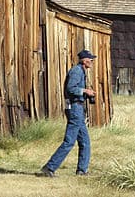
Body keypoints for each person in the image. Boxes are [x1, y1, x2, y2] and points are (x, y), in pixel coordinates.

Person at [40, 49, 97, 177]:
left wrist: (86, 94)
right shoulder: (77, 71)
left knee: (85, 142)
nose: (92, 61)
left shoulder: (81, 71)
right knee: (69, 141)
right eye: (91, 59)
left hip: (77, 108)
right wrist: (85, 91)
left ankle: (82, 170)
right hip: (75, 108)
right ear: (84, 61)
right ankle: (49, 167)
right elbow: (70, 88)